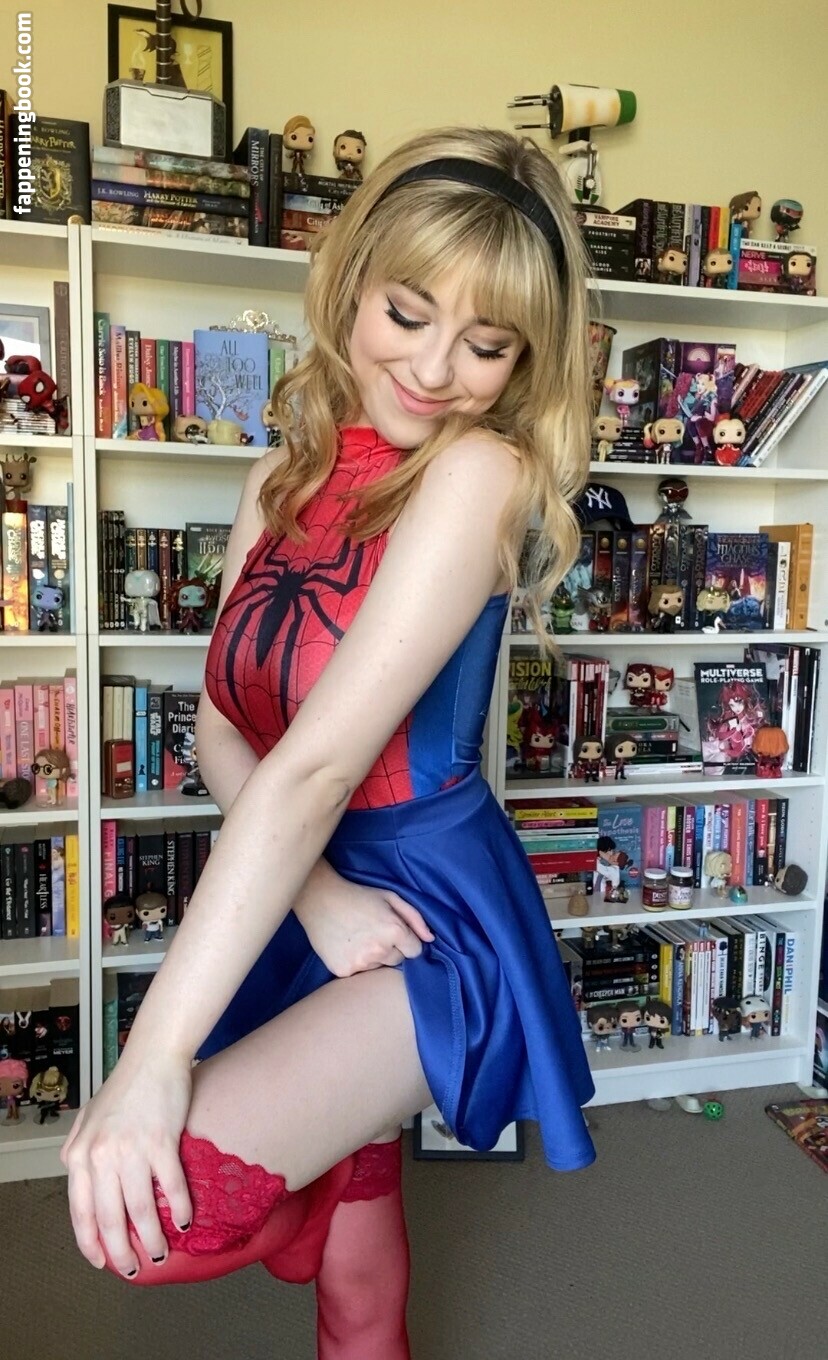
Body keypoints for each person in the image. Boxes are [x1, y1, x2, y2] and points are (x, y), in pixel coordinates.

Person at [63, 125, 597, 1357]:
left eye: (487, 344)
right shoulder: (277, 477)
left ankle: (301, 1180)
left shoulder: (480, 471)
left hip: (428, 915)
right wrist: (314, 897)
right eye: (408, 313)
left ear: (525, 360)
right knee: (357, 1291)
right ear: (353, 280)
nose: (434, 368)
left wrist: (149, 1062)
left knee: (159, 1221)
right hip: (304, 885)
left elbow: (314, 764)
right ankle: (339, 1200)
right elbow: (220, 727)